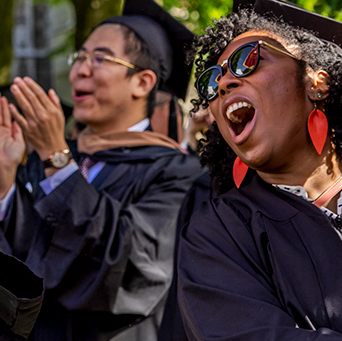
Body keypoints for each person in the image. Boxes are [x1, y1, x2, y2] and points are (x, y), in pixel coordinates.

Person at [0, 0, 202, 340]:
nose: (79, 70)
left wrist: (57, 160)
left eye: (99, 59)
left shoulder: (181, 174)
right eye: (79, 57)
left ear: (142, 82)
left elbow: (128, 266)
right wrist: (5, 183)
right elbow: (28, 257)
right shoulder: (53, 158)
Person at [176, 0, 342, 340]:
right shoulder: (218, 232)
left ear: (317, 83)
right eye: (211, 83)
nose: (223, 85)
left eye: (247, 60)